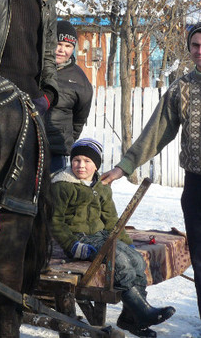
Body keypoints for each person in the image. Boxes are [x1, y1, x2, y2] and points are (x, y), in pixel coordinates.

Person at [102, 22, 201, 321]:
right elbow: (156, 131)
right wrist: (125, 166)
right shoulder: (181, 88)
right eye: (195, 45)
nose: (200, 51)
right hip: (196, 187)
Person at [52, 138, 175, 337]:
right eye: (76, 160)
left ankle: (131, 318)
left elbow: (110, 220)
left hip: (100, 236)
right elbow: (55, 222)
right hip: (80, 238)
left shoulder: (101, 186)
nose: (81, 165)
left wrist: (127, 243)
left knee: (135, 260)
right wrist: (73, 245)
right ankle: (142, 312)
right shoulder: (62, 185)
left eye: (87, 161)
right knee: (121, 262)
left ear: (96, 165)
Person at [46, 20, 93, 174]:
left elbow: (79, 119)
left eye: (68, 46)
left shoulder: (79, 80)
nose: (62, 50)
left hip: (55, 151)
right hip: (26, 144)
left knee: (54, 194)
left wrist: (66, 140)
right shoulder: (34, 68)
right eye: (58, 44)